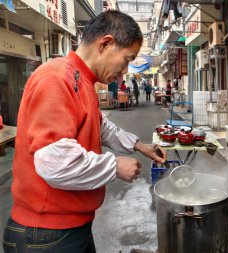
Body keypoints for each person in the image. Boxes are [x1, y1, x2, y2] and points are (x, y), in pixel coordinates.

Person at [2, 10, 167, 253]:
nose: (124, 71)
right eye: (126, 59)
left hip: (69, 227)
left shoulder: (83, 81)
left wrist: (139, 145)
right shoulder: (56, 78)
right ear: (106, 43)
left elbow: (99, 125)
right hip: (45, 235)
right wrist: (114, 166)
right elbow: (56, 164)